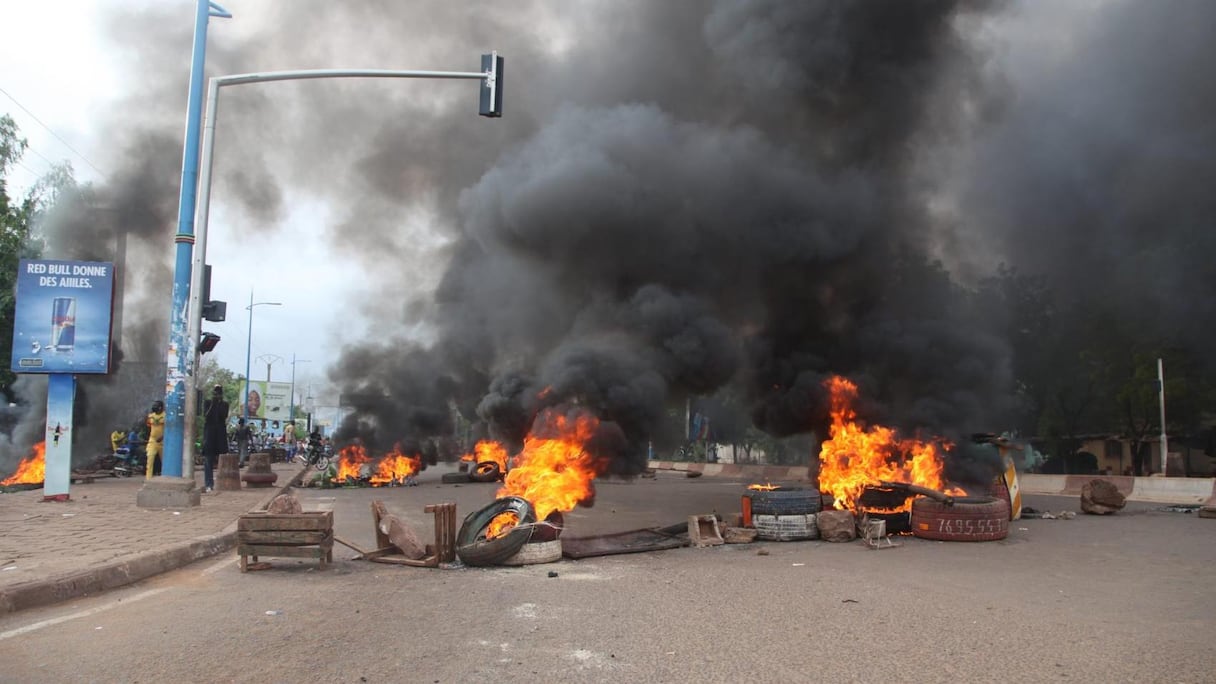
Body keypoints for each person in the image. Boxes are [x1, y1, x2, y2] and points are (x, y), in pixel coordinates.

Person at [201, 385, 229, 493]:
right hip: (209, 433)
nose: (217, 394)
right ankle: (208, 484)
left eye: (219, 392)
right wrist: (213, 403)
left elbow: (224, 415)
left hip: (220, 433)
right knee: (208, 459)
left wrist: (219, 403)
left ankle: (223, 483)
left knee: (222, 459)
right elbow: (206, 415)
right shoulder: (208, 403)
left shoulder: (225, 404)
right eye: (215, 392)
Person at [145, 401, 165, 479]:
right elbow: (148, 427)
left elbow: (169, 429)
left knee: (164, 461)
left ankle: (165, 477)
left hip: (163, 441)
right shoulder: (150, 416)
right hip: (152, 441)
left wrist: (163, 437)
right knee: (150, 459)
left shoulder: (166, 416)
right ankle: (148, 479)